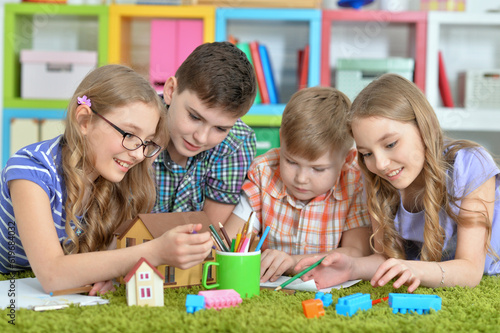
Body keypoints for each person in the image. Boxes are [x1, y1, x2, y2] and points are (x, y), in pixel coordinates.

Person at [0, 64, 213, 295]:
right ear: (84, 121)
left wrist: (101, 274)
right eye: (130, 135)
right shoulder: (31, 170)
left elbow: (103, 259)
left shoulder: (116, 179)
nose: (139, 154)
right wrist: (154, 251)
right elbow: (52, 273)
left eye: (146, 141)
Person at [296, 73, 500, 292]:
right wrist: (352, 267)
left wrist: (417, 270)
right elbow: (388, 258)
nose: (381, 164)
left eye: (391, 144)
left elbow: (470, 270)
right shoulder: (375, 174)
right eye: (366, 153)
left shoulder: (470, 164)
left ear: (423, 127)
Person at [224, 86, 372, 283]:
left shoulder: (354, 182)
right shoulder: (263, 172)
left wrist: (292, 262)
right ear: (281, 140)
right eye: (291, 162)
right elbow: (232, 242)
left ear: (347, 159)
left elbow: (357, 252)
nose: (301, 178)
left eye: (318, 169)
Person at [152, 42, 258, 225]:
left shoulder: (236, 143)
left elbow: (209, 233)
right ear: (170, 91)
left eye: (220, 129)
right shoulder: (136, 128)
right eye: (194, 117)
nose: (201, 138)